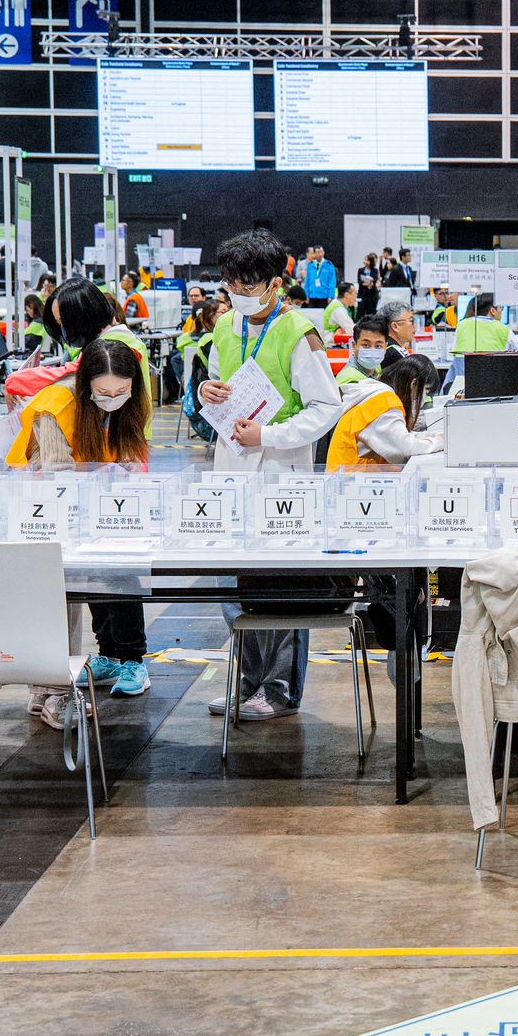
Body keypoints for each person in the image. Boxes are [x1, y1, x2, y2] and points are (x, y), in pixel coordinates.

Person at [197, 229, 345, 720]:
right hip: (230, 471)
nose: (236, 292)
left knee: (280, 588)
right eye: (230, 283)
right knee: (232, 586)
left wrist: (271, 436)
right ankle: (246, 683)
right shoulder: (222, 327)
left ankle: (279, 689)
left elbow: (327, 406)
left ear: (273, 283)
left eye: (247, 284)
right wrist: (206, 394)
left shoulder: (297, 331)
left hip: (281, 474)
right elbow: (216, 380)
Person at [5, 337, 155, 712]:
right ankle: (54, 688)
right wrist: (100, 481)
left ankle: (130, 660)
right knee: (65, 593)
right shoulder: (55, 407)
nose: (113, 397)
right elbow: (54, 477)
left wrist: (125, 477)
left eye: (122, 390)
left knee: (118, 572)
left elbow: (132, 454)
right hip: (47, 512)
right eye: (104, 391)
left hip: (104, 508)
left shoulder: (130, 404)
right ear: (85, 383)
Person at [326, 355, 446, 470]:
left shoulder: (380, 396)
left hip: (351, 473)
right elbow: (404, 448)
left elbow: (400, 436)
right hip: (348, 479)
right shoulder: (385, 404)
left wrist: (434, 436)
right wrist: (440, 442)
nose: (425, 396)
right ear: (413, 384)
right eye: (426, 389)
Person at [338, 315, 391, 386]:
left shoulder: (376, 366)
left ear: (385, 347)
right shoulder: (349, 379)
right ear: (354, 345)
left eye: (378, 346)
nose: (372, 352)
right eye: (366, 345)